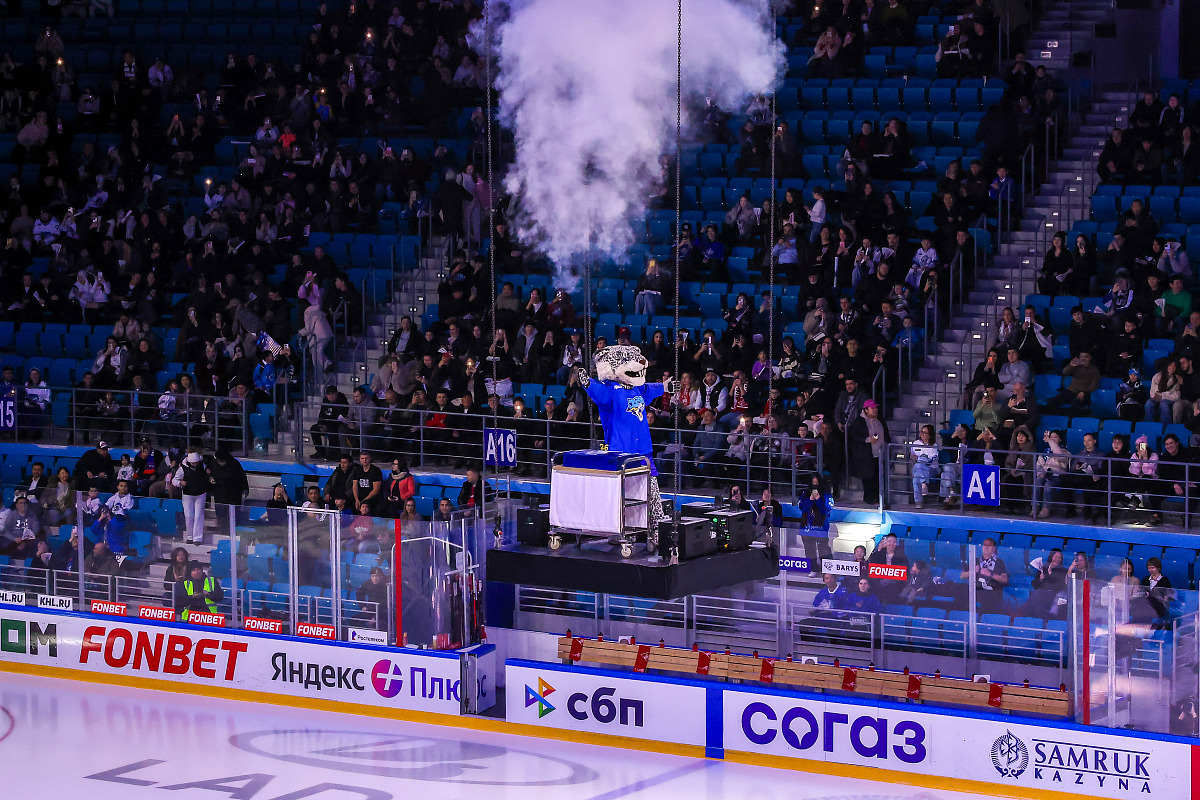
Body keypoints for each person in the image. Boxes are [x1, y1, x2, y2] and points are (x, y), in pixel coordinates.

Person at [847, 399, 889, 503]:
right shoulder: (859, 421)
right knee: (868, 477)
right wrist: (867, 439)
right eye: (872, 408)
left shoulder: (880, 419)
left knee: (879, 477)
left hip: (880, 454)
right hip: (866, 455)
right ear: (866, 410)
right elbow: (854, 436)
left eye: (876, 408)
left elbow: (886, 433)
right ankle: (869, 498)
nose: (875, 410)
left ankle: (879, 497)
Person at [170, 448, 213, 544]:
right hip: (187, 495)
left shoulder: (202, 466)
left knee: (199, 516)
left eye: (196, 462)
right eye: (193, 463)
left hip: (200, 494)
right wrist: (180, 482)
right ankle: (189, 536)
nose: (195, 464)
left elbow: (207, 473)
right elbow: (174, 480)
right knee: (189, 516)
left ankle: (197, 538)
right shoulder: (182, 469)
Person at [960, 537, 1008, 612]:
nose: (986, 547)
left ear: (994, 548)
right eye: (985, 545)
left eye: (989, 545)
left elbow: (1004, 579)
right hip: (976, 592)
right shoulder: (975, 560)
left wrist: (990, 574)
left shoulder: (999, 562)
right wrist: (972, 572)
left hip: (992, 594)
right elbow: (962, 576)